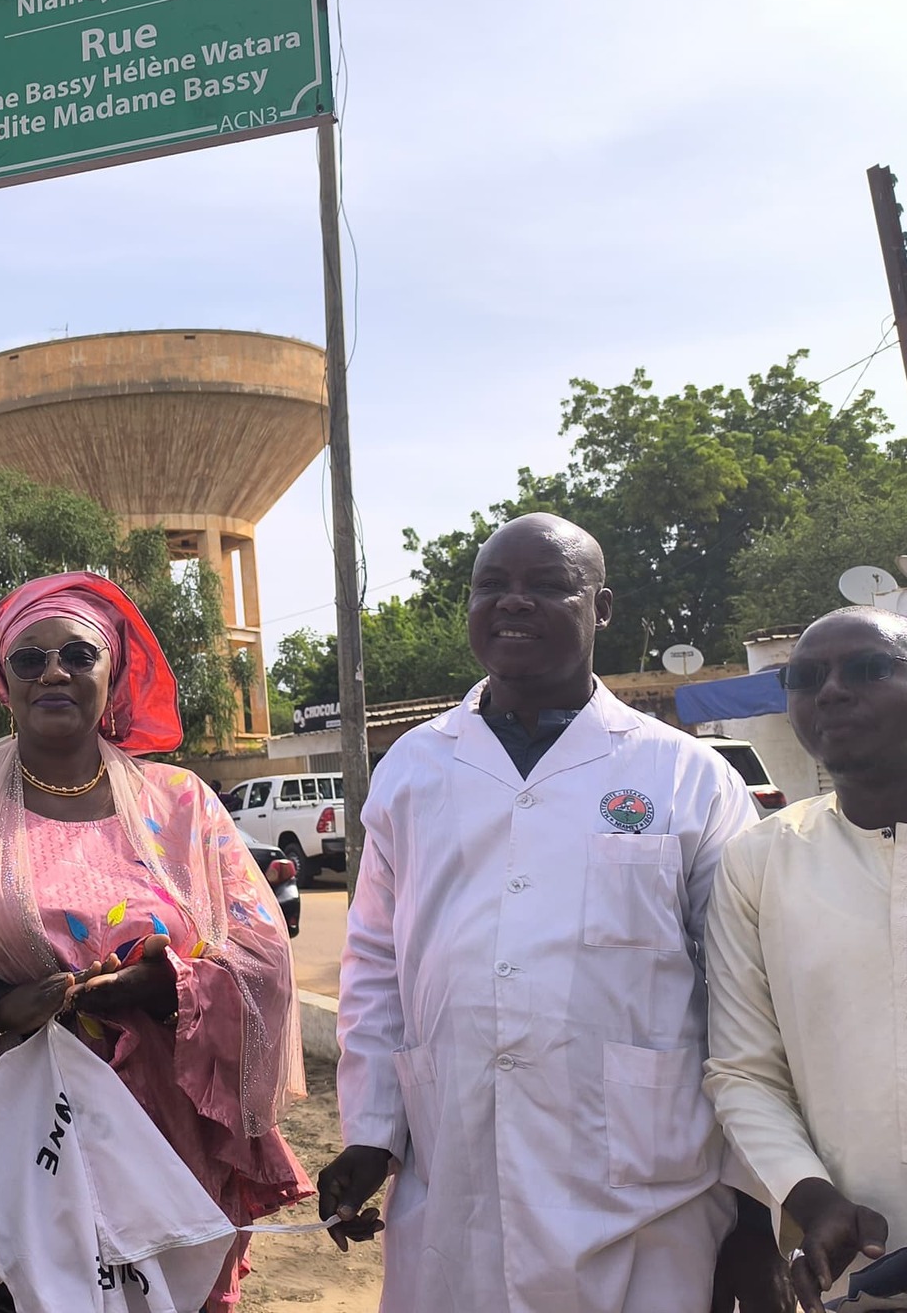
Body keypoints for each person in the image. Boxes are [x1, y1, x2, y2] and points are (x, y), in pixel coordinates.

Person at [320, 513, 777, 1313]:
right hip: (453, 1176)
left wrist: (751, 1213)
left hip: (647, 1195)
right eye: (491, 586)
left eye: (547, 585)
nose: (513, 603)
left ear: (601, 607)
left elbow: (745, 999)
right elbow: (375, 968)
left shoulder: (686, 777)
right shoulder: (414, 771)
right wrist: (371, 1129)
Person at [0, 571, 309, 1311]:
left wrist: (166, 990)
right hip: (7, 1130)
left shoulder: (180, 803)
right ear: (2, 677)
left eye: (77, 655)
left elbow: (260, 960)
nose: (54, 672)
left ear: (113, 670)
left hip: (160, 1139)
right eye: (30, 659)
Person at [706, 606, 907, 1310]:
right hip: (861, 1273)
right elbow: (744, 1071)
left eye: (868, 669)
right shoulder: (760, 862)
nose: (830, 691)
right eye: (804, 677)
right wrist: (809, 1195)